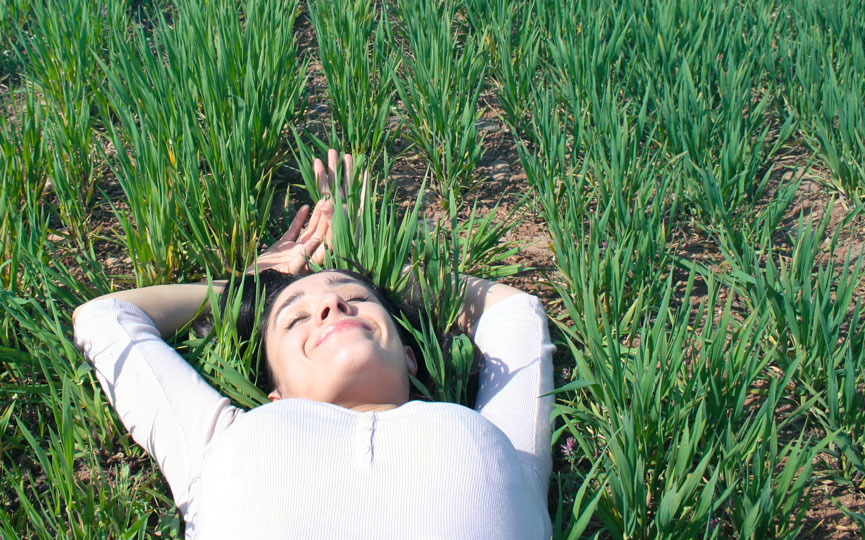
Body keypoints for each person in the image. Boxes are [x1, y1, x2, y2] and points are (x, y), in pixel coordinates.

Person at [71, 151, 556, 539]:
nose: (331, 307)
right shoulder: (217, 442)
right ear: (276, 394)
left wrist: (377, 264)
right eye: (296, 318)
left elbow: (516, 313)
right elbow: (105, 318)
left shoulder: (506, 449)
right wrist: (258, 286)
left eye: (356, 299)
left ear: (411, 355)